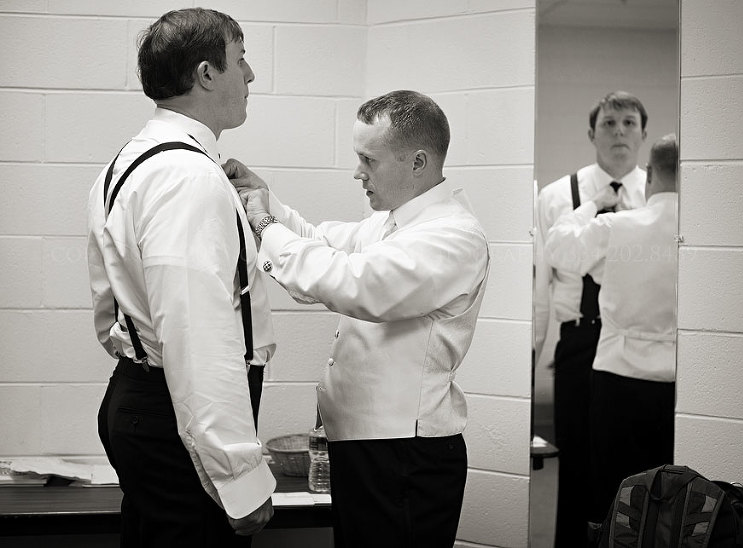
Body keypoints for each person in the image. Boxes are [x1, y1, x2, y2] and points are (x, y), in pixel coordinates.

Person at [225, 90, 490, 548]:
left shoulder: (452, 236)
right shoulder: (393, 222)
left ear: (418, 162)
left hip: (404, 455)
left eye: (369, 159)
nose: (357, 172)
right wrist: (265, 201)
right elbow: (322, 241)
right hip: (369, 449)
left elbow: (352, 283)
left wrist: (264, 227)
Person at [86, 8, 276, 546]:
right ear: (206, 73)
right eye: (240, 60)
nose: (251, 75)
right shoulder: (187, 176)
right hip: (174, 419)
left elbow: (109, 310)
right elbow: (197, 333)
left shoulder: (129, 161)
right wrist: (237, 473)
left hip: (144, 399)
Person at [533, 90, 649, 546]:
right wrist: (536, 351)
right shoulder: (558, 196)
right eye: (608, 123)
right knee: (577, 462)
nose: (618, 132)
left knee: (636, 465)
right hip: (579, 342)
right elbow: (541, 280)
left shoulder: (660, 196)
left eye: (627, 124)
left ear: (642, 133)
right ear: (591, 133)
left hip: (638, 344)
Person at [544, 133, 679, 525]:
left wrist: (590, 206)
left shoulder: (618, 227)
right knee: (672, 500)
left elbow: (559, 247)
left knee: (614, 495)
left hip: (618, 383)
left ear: (650, 173)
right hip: (678, 386)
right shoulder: (705, 235)